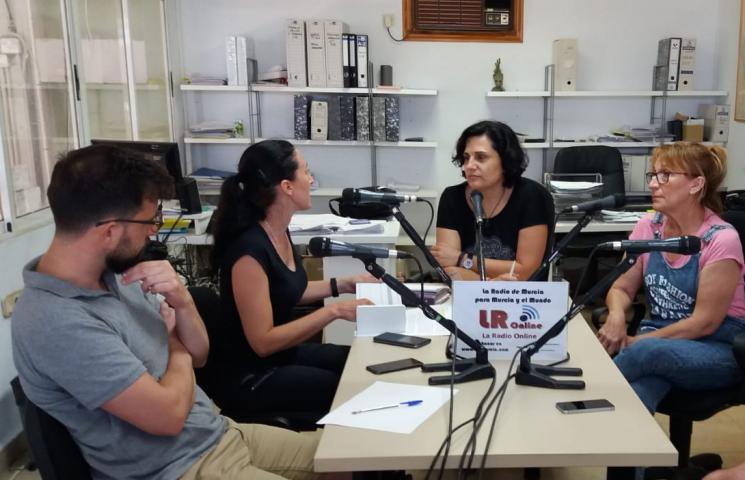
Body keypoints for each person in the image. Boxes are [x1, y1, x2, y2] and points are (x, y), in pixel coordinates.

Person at [11, 144, 320, 480]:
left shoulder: (119, 275)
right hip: (178, 469)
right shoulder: (57, 322)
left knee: (356, 462)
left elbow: (201, 353)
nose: (154, 230)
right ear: (110, 231)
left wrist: (182, 299)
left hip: (219, 434)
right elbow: (168, 416)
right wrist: (176, 346)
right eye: (151, 220)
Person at [209, 139, 373, 422]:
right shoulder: (249, 252)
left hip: (280, 356)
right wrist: (334, 311)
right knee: (351, 389)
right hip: (251, 375)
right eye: (307, 172)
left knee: (362, 365)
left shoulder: (279, 231)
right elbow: (263, 342)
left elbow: (288, 290)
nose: (311, 180)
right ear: (286, 186)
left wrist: (346, 284)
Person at [597, 142, 745, 413]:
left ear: (695, 184)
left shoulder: (722, 239)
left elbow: (704, 323)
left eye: (665, 175)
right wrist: (617, 316)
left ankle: (583, 396)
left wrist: (638, 342)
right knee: (633, 400)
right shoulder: (648, 226)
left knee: (644, 355)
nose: (654, 184)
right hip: (660, 341)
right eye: (652, 175)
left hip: (718, 347)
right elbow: (621, 286)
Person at [431, 120, 552, 281]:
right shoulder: (452, 197)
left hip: (524, 301)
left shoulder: (531, 196)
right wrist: (489, 286)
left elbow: (526, 271)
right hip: (469, 299)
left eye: (481, 158)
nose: (469, 166)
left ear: (505, 160)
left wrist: (462, 259)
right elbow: (448, 267)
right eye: (466, 158)